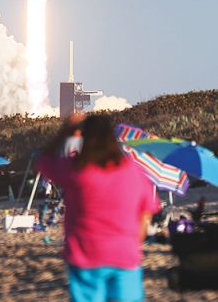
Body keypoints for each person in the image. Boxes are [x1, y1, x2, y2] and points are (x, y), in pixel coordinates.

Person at [37, 114, 160, 302]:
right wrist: (133, 242)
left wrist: (66, 131)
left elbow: (43, 161)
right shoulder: (132, 171)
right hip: (124, 255)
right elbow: (145, 216)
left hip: (86, 255)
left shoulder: (76, 169)